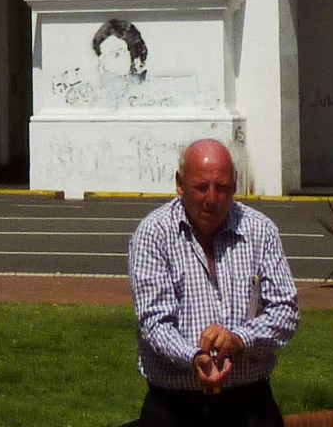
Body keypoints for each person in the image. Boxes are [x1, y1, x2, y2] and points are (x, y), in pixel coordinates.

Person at [127, 138, 299, 425]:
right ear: (180, 184)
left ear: (234, 185)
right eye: (200, 188)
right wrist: (194, 356)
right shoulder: (153, 234)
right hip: (174, 403)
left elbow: (286, 311)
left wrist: (238, 340)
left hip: (249, 400)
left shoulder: (260, 231)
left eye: (222, 188)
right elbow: (154, 322)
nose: (212, 198)